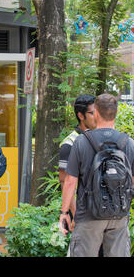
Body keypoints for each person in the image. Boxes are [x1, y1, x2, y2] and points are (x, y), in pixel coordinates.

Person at [60, 94, 134, 257]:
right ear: (115, 113)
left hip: (88, 215)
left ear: (97, 113)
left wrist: (64, 212)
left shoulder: (81, 142)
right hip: (119, 215)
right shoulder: (128, 143)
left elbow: (70, 181)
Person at [58, 95, 96, 233]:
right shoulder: (69, 144)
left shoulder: (101, 138)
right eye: (92, 113)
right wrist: (75, 215)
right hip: (83, 215)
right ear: (81, 115)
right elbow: (65, 182)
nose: (96, 116)